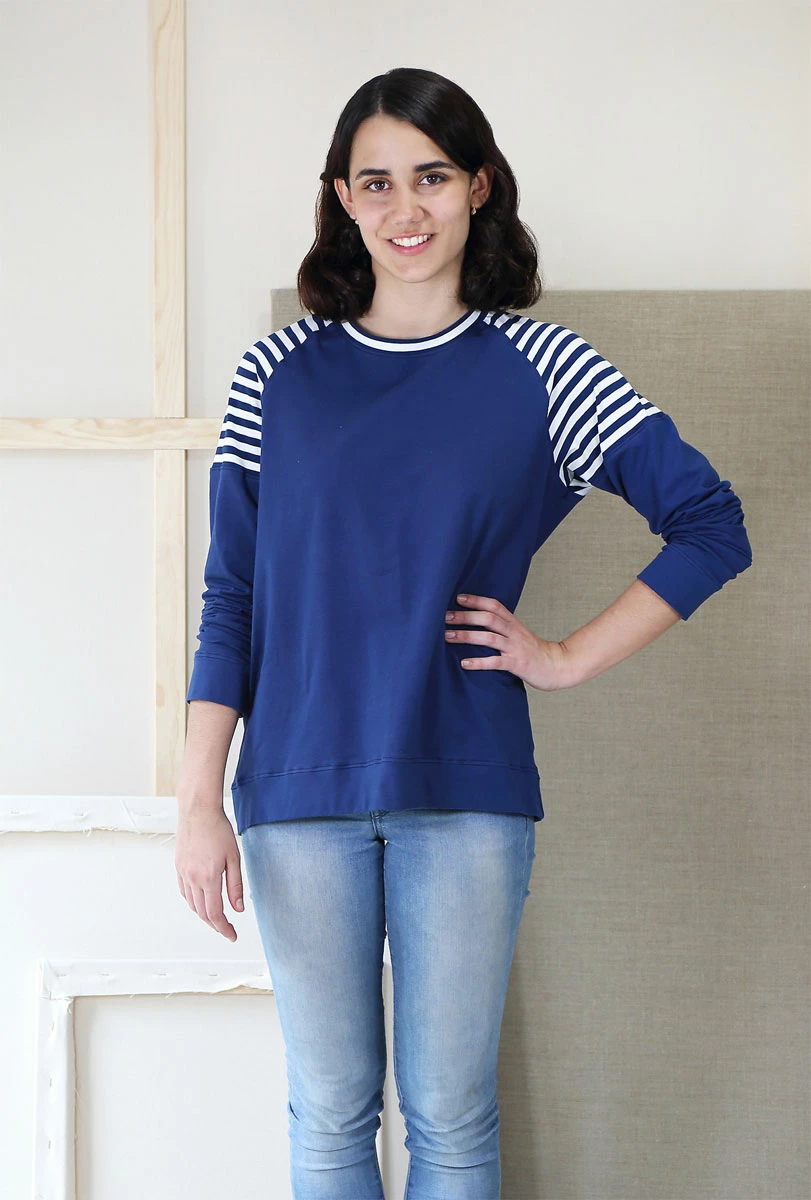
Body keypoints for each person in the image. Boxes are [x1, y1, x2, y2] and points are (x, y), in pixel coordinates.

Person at [174, 66, 753, 1200]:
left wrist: (565, 656)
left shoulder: (545, 369)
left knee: (449, 1118)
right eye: (375, 182)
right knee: (329, 1113)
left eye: (431, 177)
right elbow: (232, 595)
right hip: (296, 791)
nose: (405, 208)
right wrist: (198, 799)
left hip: (466, 792)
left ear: (479, 187)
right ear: (341, 198)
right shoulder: (276, 375)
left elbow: (709, 522)